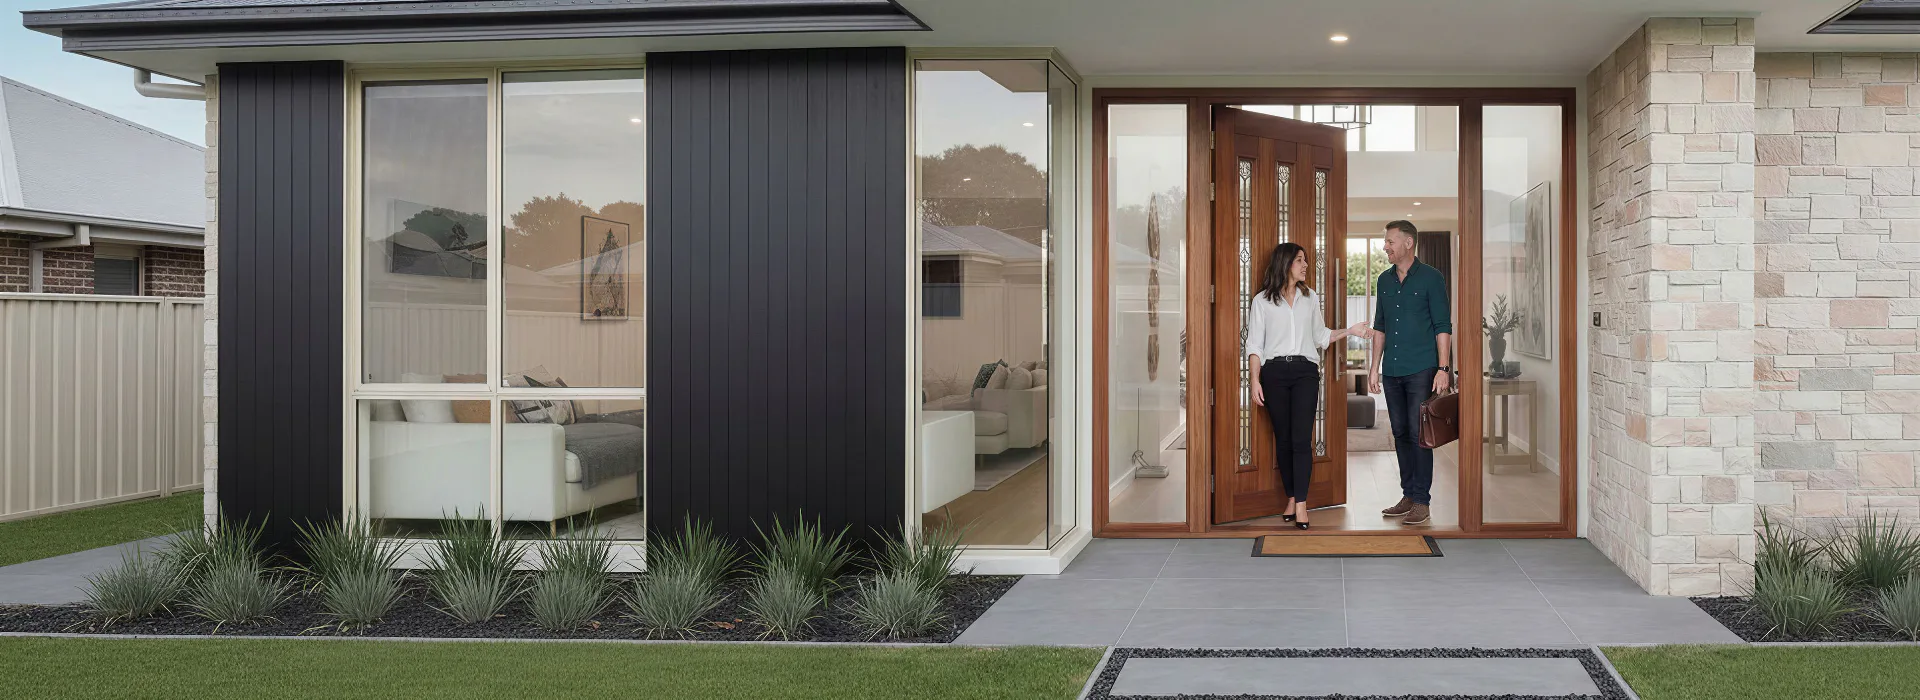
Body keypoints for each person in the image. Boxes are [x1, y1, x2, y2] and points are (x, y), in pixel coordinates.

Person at [1248, 242, 1368, 530]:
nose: (1305, 265)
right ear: (1286, 263)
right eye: (1300, 260)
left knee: (1302, 439)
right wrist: (1254, 380)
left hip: (1305, 372)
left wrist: (1350, 331)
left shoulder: (1310, 297)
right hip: (1274, 372)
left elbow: (1320, 336)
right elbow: (1254, 344)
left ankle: (1301, 503)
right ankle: (1292, 497)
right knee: (1284, 440)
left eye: (1305, 260)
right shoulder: (1262, 301)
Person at [1367, 220, 1453, 526]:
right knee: (1400, 433)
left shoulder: (1432, 278)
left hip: (1422, 368)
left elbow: (1443, 326)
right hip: (1392, 370)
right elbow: (1380, 327)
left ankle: (1421, 501)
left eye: (1390, 242)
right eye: (1385, 242)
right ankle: (1407, 495)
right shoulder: (1383, 281)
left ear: (1408, 243)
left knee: (1419, 435)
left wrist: (1443, 369)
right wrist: (1374, 368)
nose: (1385, 247)